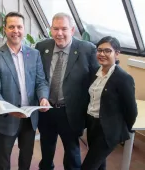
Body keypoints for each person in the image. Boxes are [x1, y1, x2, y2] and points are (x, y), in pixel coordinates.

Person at [0, 12, 50, 170]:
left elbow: (41, 81)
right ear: (5, 29)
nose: (16, 30)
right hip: (7, 117)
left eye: (19, 27)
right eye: (11, 26)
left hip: (30, 116)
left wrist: (43, 98)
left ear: (24, 29)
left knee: (26, 156)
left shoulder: (34, 54)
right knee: (3, 158)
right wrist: (8, 109)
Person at [35, 12, 99, 170]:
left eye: (64, 29)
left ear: (72, 30)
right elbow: (37, 76)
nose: (59, 33)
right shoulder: (42, 47)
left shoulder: (87, 49)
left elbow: (96, 81)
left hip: (71, 111)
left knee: (72, 152)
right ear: (51, 30)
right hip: (46, 109)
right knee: (46, 147)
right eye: (55, 29)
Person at [81, 36, 138, 170]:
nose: (102, 54)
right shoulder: (95, 73)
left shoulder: (123, 78)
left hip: (108, 131)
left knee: (88, 166)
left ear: (117, 53)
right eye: (99, 50)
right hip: (92, 125)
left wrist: (120, 131)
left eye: (107, 51)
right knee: (100, 164)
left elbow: (131, 110)